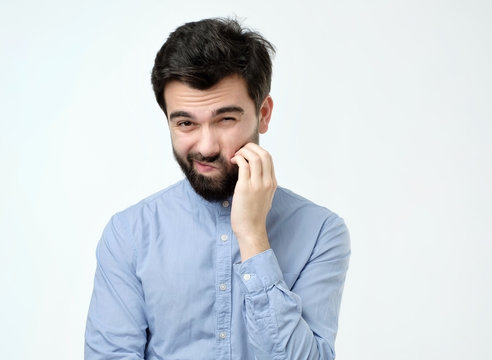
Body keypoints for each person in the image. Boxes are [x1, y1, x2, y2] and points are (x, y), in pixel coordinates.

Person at [85, 17, 350, 360]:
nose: (206, 146)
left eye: (226, 119)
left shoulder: (320, 233)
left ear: (263, 114)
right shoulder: (129, 235)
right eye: (185, 123)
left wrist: (253, 237)